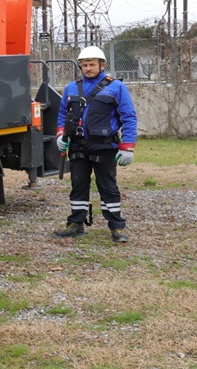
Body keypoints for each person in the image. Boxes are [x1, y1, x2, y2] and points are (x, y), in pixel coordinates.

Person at [52, 45, 137, 243]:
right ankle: (76, 224)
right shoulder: (71, 88)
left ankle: (116, 227)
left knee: (108, 187)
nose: (88, 68)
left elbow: (129, 118)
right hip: (77, 146)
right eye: (84, 65)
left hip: (105, 147)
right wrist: (60, 135)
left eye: (91, 64)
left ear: (102, 65)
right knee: (78, 186)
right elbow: (63, 114)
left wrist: (127, 148)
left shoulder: (116, 87)